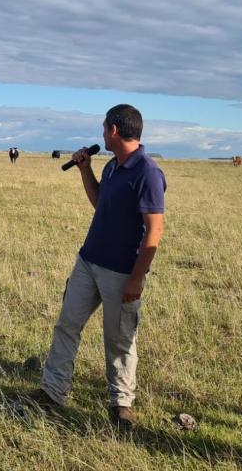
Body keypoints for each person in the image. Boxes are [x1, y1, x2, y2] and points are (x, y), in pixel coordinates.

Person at [31, 104, 166, 428]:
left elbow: (155, 230)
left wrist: (137, 279)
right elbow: (99, 202)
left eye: (104, 128)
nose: (102, 134)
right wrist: (84, 169)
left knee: (119, 340)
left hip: (121, 273)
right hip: (88, 262)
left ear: (114, 131)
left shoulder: (147, 173)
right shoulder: (111, 167)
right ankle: (53, 392)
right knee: (67, 325)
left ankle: (121, 404)